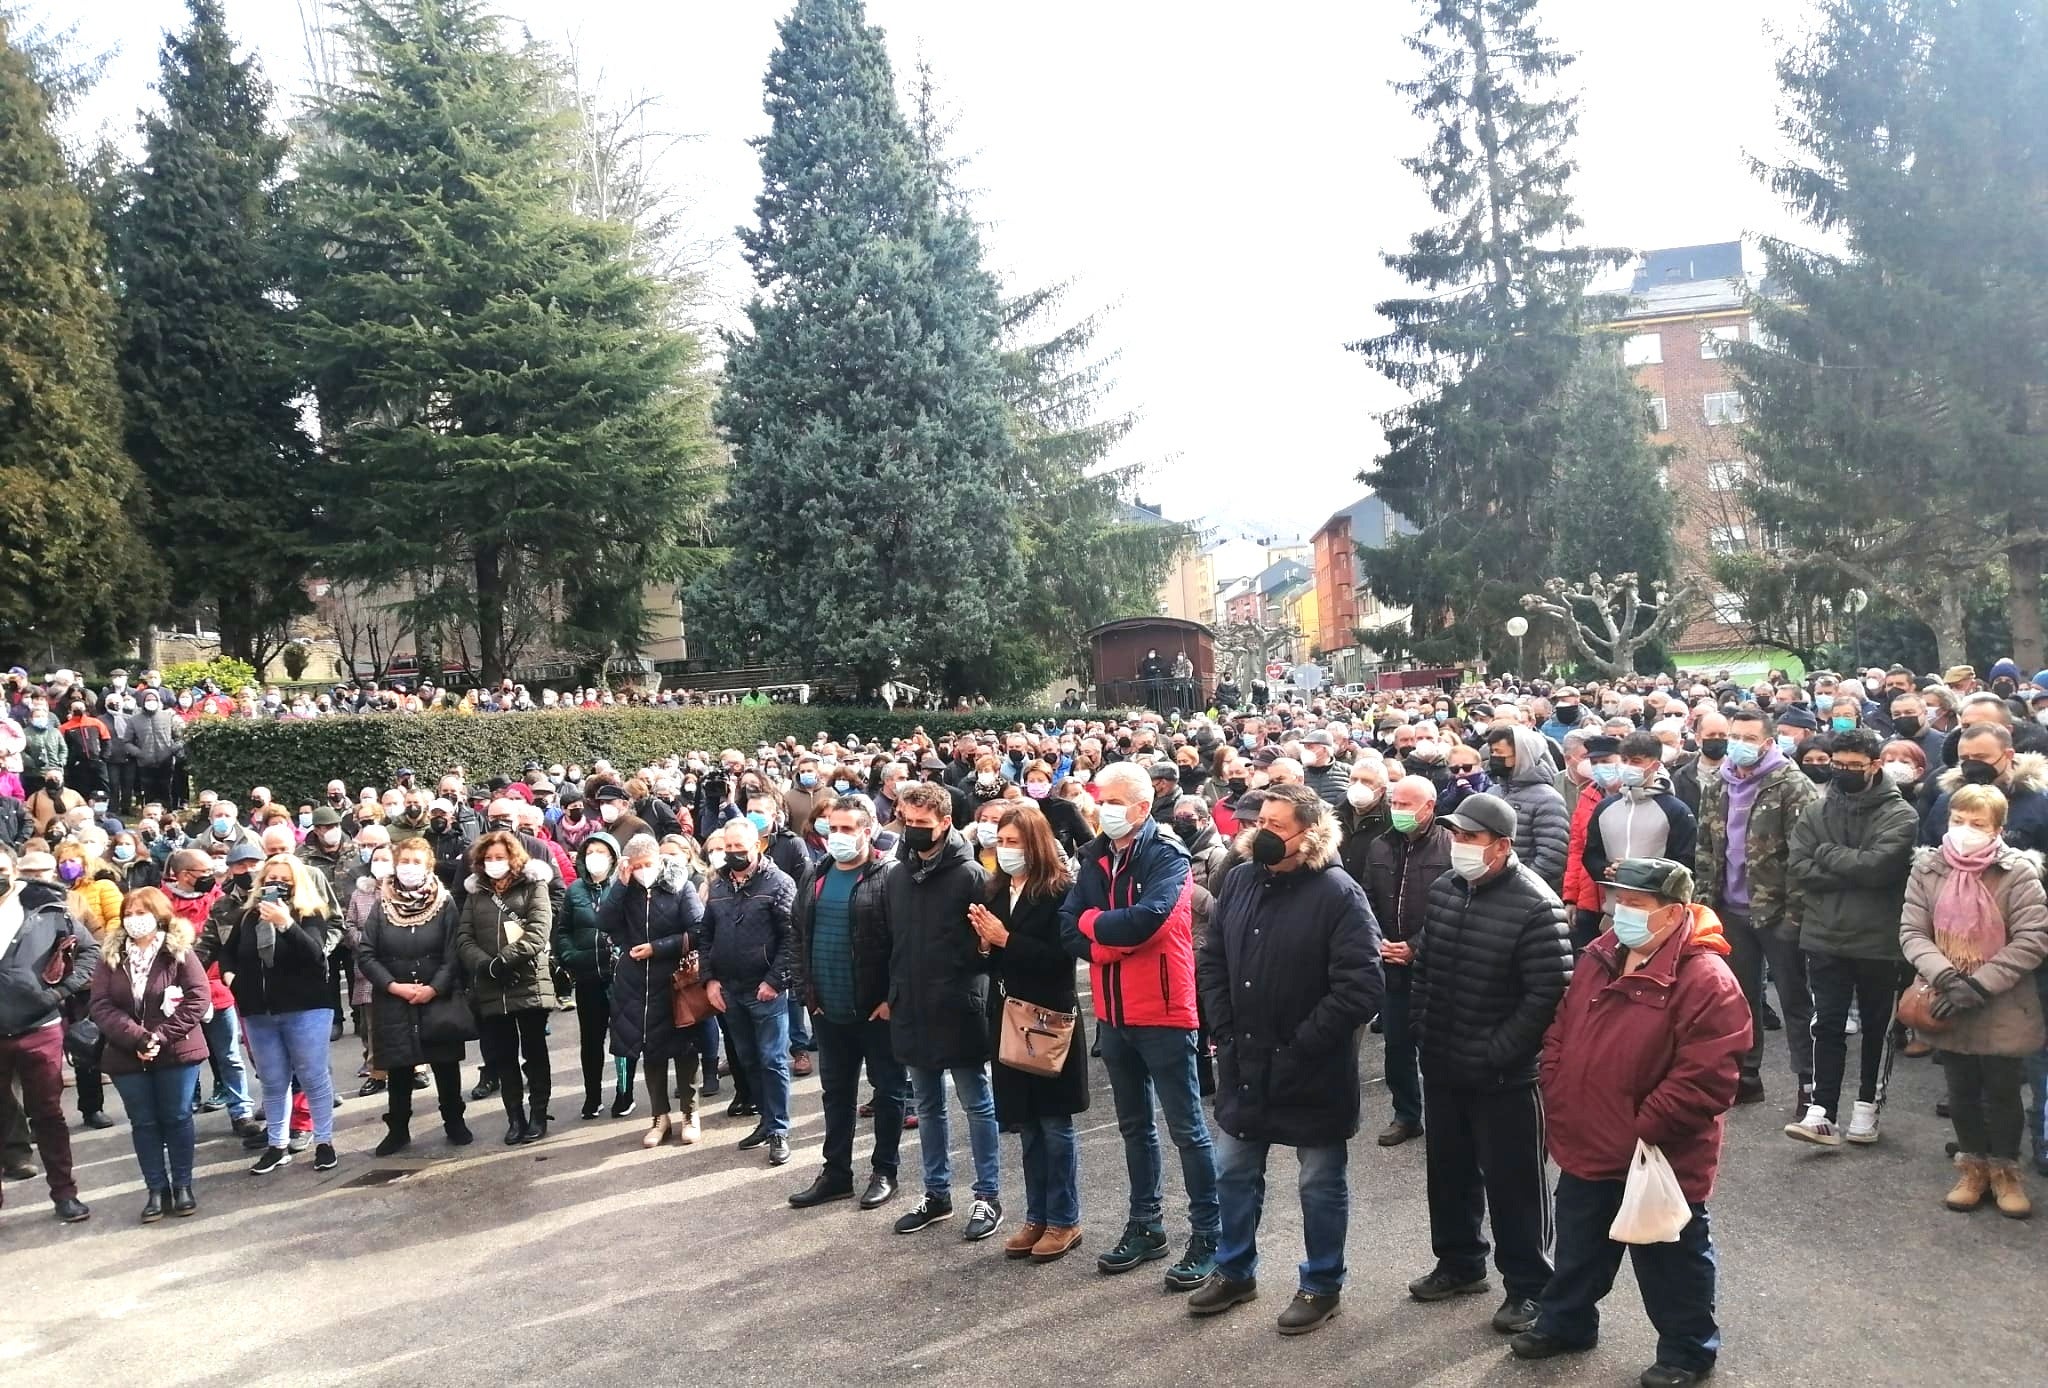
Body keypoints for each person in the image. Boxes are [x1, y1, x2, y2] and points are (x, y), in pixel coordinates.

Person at [1512, 859, 1750, 1388]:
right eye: (1619, 899)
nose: (1622, 911)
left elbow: (1708, 1076)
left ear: (1674, 912)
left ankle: (1688, 1352)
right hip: (1587, 1138)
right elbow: (1562, 1027)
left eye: (1637, 903)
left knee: (1671, 1256)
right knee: (1579, 1243)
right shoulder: (1600, 956)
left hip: (1658, 1153)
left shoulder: (1706, 978)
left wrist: (1644, 1124)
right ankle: (1566, 1322)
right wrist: (1556, 1080)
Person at [1189, 784, 1382, 1334]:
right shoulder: (1242, 878)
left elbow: (1360, 988)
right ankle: (1234, 1270)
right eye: (1261, 822)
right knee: (1232, 1172)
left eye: (1278, 825)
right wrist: (1224, 1029)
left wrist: (1301, 1046)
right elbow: (1215, 958)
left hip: (1310, 1068)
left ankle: (1322, 1284)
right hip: (1244, 1060)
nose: (1264, 833)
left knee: (1318, 1182)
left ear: (1311, 833)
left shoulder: (1339, 893)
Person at [1408, 792, 1572, 1336]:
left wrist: (1499, 1052)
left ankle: (1528, 1287)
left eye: (1471, 839)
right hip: (1444, 1061)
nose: (1460, 847)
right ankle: (1459, 1263)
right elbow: (1426, 965)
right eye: (1456, 836)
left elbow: (1547, 995)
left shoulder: (1535, 904)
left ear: (1502, 846)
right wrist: (1422, 1029)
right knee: (1448, 1173)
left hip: (1503, 1076)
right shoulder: (1446, 890)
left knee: (1515, 1185)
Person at [1059, 761, 1219, 1291]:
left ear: (1143, 806)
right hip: (1114, 1012)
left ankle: (1208, 1234)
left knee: (1187, 1129)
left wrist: (1099, 935)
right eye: (1098, 798)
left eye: (1111, 799)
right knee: (1134, 1127)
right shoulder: (1095, 855)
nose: (1101, 807)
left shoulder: (1167, 855)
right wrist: (1106, 937)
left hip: (1165, 1013)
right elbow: (1070, 925)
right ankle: (1147, 1224)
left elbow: (1148, 921)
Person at [1901, 785, 2048, 1218]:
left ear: (1998, 828)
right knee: (1960, 1090)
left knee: (2002, 1091)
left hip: (2001, 1000)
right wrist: (1946, 977)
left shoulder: (2017, 872)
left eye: (1978, 824)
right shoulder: (1929, 867)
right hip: (1943, 996)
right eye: (1958, 820)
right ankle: (1973, 1168)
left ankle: (2006, 1172)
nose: (1965, 830)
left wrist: (1978, 985)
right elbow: (1912, 931)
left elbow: (2033, 938)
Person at [1784, 728, 1919, 1147]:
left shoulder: (1901, 815)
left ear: (1875, 765)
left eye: (1852, 767)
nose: (1841, 772)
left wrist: (1826, 854)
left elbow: (1879, 869)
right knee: (1825, 1024)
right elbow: (1798, 865)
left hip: (1878, 939)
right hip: (1824, 935)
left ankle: (1867, 1107)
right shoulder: (1817, 811)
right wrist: (1850, 865)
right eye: (1836, 765)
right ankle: (1822, 1111)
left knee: (1877, 1027)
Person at [884, 781, 1004, 1240]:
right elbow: (890, 941)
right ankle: (937, 1194)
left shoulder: (971, 875)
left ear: (945, 823)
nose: (913, 831)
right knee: (929, 1106)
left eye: (922, 825)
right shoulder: (896, 875)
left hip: (958, 1006)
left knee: (977, 1103)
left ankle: (986, 1195)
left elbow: (985, 947)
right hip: (911, 1005)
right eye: (907, 823)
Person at [970, 803, 1089, 1262]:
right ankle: (1036, 1216)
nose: (1006, 850)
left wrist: (1005, 940)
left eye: (1015, 843)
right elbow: (988, 959)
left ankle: (1065, 1219)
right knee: (1027, 1126)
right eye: (1001, 842)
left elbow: (1061, 960)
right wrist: (985, 945)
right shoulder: (996, 888)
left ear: (1036, 844)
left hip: (1048, 1019)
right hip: (1008, 1017)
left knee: (1055, 1124)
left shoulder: (1060, 891)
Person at [1695, 706, 1818, 1110]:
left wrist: (1796, 916)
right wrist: (1703, 905)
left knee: (1794, 998)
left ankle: (1810, 1083)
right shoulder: (1718, 784)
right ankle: (1747, 1074)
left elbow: (1803, 858)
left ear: (1767, 743)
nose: (1739, 745)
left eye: (1749, 739)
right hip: (1730, 908)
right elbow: (1705, 848)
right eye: (1736, 736)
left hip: (1777, 911)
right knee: (1740, 998)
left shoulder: (1790, 784)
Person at [789, 795, 904, 1212]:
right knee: (835, 1093)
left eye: (846, 829)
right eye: (831, 829)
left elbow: (904, 945)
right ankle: (835, 1173)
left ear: (868, 830)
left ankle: (885, 1170)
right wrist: (809, 994)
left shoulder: (889, 876)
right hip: (827, 1010)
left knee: (888, 1091)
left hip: (876, 1012)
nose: (836, 837)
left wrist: (892, 998)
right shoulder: (815, 874)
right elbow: (798, 935)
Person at [88, 885, 209, 1222]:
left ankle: (183, 1185)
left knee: (177, 1117)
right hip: (126, 1054)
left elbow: (198, 997)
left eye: (141, 913)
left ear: (158, 914)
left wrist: (159, 1037)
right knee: (144, 1122)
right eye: (128, 914)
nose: (134, 920)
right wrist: (138, 1039)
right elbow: (100, 1004)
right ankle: (156, 1188)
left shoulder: (178, 951)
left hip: (175, 1050)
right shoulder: (110, 955)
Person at [225, 853, 340, 1175]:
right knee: (273, 1082)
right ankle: (277, 1145)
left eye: (284, 879)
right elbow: (229, 954)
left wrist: (285, 924)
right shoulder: (248, 918)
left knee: (313, 1076)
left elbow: (315, 955)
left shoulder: (310, 913)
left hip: (305, 1008)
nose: (276, 884)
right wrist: (231, 979)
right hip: (259, 1011)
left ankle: (324, 1142)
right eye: (270, 878)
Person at [0, 845, 98, 1221]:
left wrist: (59, 992)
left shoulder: (47, 908)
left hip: (39, 1028)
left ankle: (64, 1193)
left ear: (14, 871)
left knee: (48, 1115)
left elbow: (89, 951)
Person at [358, 837, 471, 1154]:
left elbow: (454, 953)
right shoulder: (382, 903)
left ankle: (454, 1121)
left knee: (446, 1065)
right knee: (399, 1068)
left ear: (429, 866)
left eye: (416, 862)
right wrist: (393, 986)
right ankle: (398, 1129)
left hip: (437, 994)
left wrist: (434, 987)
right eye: (404, 861)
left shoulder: (444, 902)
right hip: (394, 997)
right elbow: (366, 954)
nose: (409, 867)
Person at [598, 834, 707, 1147]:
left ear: (659, 862)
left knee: (685, 1048)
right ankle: (659, 1117)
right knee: (650, 1049)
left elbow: (698, 930)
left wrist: (658, 948)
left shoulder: (680, 886)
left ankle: (690, 1112)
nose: (643, 870)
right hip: (635, 983)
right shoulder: (625, 890)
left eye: (648, 864)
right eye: (636, 866)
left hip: (674, 981)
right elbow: (604, 921)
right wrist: (619, 885)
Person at [701, 818, 798, 1166]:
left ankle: (779, 1131)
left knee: (772, 1060)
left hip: (765, 989)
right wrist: (709, 980)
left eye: (740, 848)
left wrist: (775, 981)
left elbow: (791, 938)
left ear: (757, 845)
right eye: (728, 849)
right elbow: (705, 935)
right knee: (748, 1059)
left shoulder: (779, 883)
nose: (733, 854)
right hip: (730, 989)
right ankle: (765, 1121)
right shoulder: (718, 885)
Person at [1363, 774, 1452, 1147]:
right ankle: (1406, 1114)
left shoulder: (1448, 846)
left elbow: (1452, 906)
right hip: (1391, 963)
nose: (1397, 811)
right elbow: (1366, 897)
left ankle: (1445, 1118)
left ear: (1428, 807)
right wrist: (1380, 942)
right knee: (1397, 1045)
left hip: (1435, 964)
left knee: (1437, 1046)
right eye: (1394, 804)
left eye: (1405, 805)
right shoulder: (1381, 845)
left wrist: (1416, 945)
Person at [455, 830, 557, 1145]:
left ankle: (538, 1113)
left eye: (500, 857)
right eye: (488, 859)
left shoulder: (533, 886)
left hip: (527, 980)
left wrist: (504, 961)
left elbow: (539, 931)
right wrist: (486, 965)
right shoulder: (476, 894)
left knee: (534, 1051)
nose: (494, 863)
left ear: (513, 857)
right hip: (490, 986)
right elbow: (464, 937)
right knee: (504, 1056)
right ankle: (515, 1117)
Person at [556, 832, 629, 1119]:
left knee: (623, 1038)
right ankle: (593, 1095)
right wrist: (571, 957)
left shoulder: (622, 888)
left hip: (620, 977)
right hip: (588, 978)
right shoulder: (574, 891)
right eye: (590, 851)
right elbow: (563, 930)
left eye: (602, 851)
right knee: (591, 1040)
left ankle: (625, 1093)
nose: (595, 857)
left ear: (613, 856)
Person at [1484, 726, 1570, 891]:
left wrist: (1517, 885)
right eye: (1492, 752)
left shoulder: (1548, 799)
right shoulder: (1493, 791)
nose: (1494, 758)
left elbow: (1551, 858)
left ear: (1522, 755)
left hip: (1523, 892)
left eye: (1499, 752)